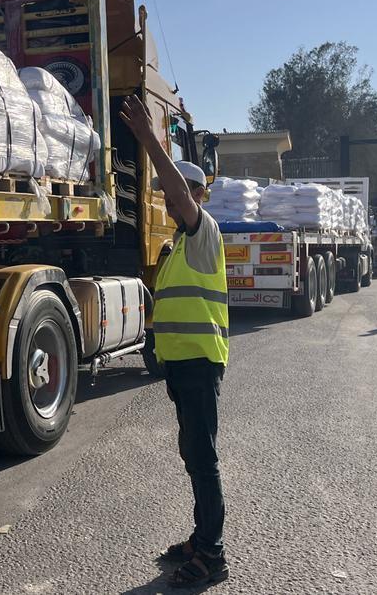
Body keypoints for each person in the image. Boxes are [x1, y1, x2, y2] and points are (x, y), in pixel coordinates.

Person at [120, 95, 230, 588]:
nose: (169, 199)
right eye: (167, 193)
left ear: (198, 195)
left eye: (178, 192)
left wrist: (150, 140)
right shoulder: (179, 245)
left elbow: (182, 197)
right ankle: (201, 538)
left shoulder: (203, 233)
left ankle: (213, 555)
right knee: (193, 456)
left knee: (204, 461)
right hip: (182, 367)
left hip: (201, 364)